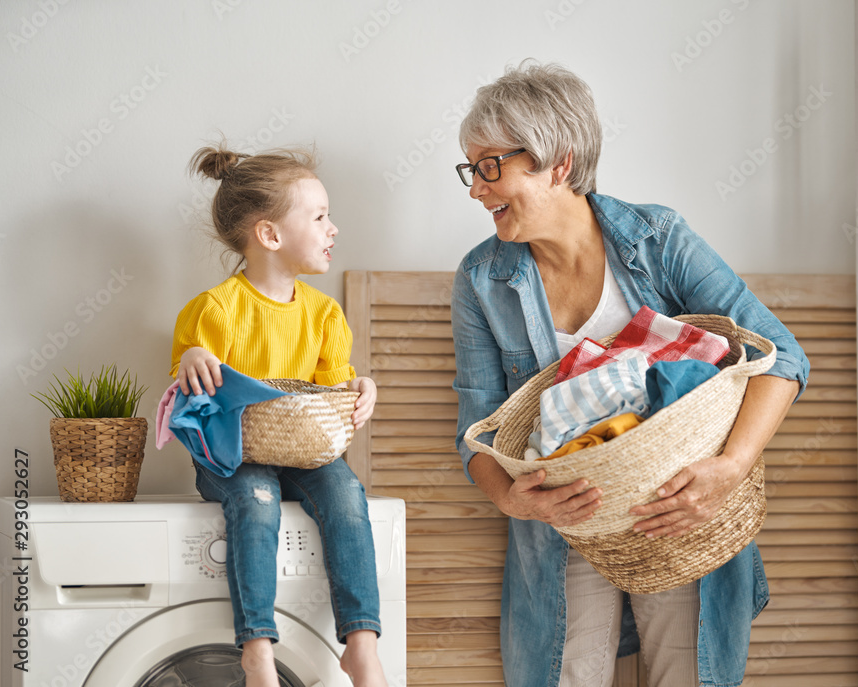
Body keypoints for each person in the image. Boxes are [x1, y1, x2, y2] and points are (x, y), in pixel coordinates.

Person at [450, 61, 810, 687]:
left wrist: (730, 469)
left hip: (678, 506)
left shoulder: (657, 239)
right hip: (566, 521)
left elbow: (780, 355)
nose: (476, 190)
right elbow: (475, 426)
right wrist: (512, 499)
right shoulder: (484, 279)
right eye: (470, 170)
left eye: (489, 167)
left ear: (557, 162)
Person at [170, 143, 387, 687]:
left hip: (304, 454)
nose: (333, 228)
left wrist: (363, 387)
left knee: (346, 495)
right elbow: (188, 386)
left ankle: (361, 642)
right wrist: (191, 360)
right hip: (235, 455)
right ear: (270, 235)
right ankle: (257, 648)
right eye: (319, 216)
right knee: (255, 500)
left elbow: (331, 392)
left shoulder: (325, 314)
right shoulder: (215, 310)